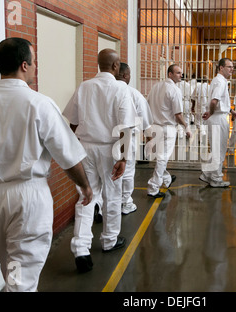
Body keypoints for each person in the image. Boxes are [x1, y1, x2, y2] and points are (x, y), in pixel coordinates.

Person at [0, 37, 92, 291]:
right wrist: (85, 186)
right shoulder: (39, 104)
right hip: (27, 199)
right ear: (24, 65)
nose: (36, 67)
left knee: (12, 268)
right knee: (21, 276)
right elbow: (68, 156)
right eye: (34, 62)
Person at [63, 49, 137, 273]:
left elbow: (72, 123)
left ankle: (81, 248)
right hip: (110, 148)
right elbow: (125, 127)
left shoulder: (84, 86)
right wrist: (123, 157)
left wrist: (75, 145)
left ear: (99, 64)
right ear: (116, 67)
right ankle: (109, 240)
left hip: (85, 147)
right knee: (112, 195)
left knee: (87, 194)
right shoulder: (120, 88)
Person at [146, 64, 191, 198]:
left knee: (160, 157)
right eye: (177, 73)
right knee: (162, 158)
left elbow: (147, 106)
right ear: (170, 74)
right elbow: (178, 115)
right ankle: (153, 187)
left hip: (154, 126)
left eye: (181, 73)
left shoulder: (155, 87)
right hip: (167, 128)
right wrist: (186, 126)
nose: (180, 75)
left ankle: (166, 179)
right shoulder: (174, 90)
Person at [116, 62, 153, 214]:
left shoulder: (95, 89)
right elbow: (144, 119)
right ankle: (125, 202)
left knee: (106, 173)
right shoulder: (133, 93)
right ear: (125, 75)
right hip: (126, 137)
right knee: (127, 171)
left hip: (101, 139)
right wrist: (149, 137)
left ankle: (100, 205)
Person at [199, 58, 236, 188]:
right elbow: (214, 101)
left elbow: (220, 102)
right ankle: (216, 179)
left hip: (218, 116)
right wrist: (211, 112)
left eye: (233, 67)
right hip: (218, 118)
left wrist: (231, 111)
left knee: (216, 149)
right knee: (219, 150)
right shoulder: (220, 81)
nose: (232, 69)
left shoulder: (220, 81)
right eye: (229, 67)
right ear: (221, 68)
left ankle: (207, 174)